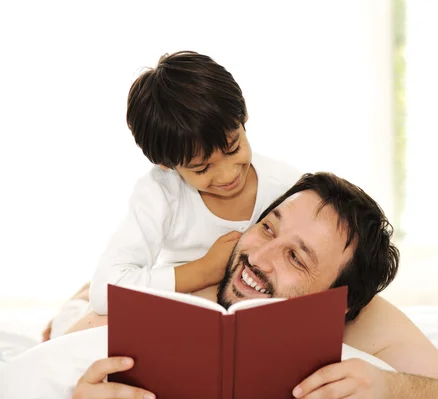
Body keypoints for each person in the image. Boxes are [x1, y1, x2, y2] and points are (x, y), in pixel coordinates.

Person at [16, 173, 438, 399]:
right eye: (268, 226)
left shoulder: (369, 322)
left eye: (296, 257)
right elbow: (72, 341)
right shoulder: (214, 268)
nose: (259, 257)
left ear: (339, 302)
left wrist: (394, 388)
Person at [42, 50, 302, 339]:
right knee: (74, 332)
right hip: (173, 294)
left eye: (233, 148)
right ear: (167, 165)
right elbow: (106, 292)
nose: (228, 175)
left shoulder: (288, 187)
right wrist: (205, 269)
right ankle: (72, 308)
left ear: (244, 119)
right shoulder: (160, 192)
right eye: (202, 168)